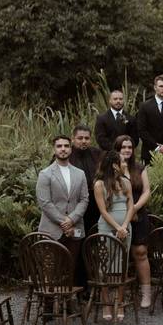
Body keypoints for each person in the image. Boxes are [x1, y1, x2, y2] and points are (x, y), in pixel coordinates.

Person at [36, 135, 88, 280]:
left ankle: (68, 300)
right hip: (52, 229)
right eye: (59, 146)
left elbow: (84, 199)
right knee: (50, 269)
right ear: (54, 149)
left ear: (71, 149)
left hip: (75, 229)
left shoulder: (80, 173)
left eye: (66, 146)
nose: (63, 149)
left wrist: (72, 219)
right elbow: (45, 202)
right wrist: (64, 222)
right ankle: (49, 301)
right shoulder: (45, 174)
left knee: (71, 267)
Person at [93, 150, 135, 321]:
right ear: (113, 165)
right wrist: (117, 227)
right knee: (105, 265)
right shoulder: (99, 185)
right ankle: (106, 303)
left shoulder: (125, 182)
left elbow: (131, 204)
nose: (125, 164)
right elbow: (103, 210)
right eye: (122, 162)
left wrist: (124, 226)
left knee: (122, 266)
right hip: (107, 227)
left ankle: (119, 300)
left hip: (125, 227)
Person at [116, 135, 153, 308]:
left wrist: (135, 208)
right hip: (117, 216)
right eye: (123, 147)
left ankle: (146, 294)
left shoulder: (139, 168)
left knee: (140, 252)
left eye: (129, 147)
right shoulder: (111, 168)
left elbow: (146, 191)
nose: (127, 150)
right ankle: (118, 295)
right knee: (118, 255)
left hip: (138, 214)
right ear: (117, 149)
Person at [69, 125, 102, 293]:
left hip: (95, 210)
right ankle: (76, 287)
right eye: (80, 138)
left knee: (92, 248)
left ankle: (92, 287)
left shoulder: (97, 154)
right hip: (74, 212)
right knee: (76, 248)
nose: (83, 141)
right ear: (73, 138)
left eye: (86, 138)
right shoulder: (67, 155)